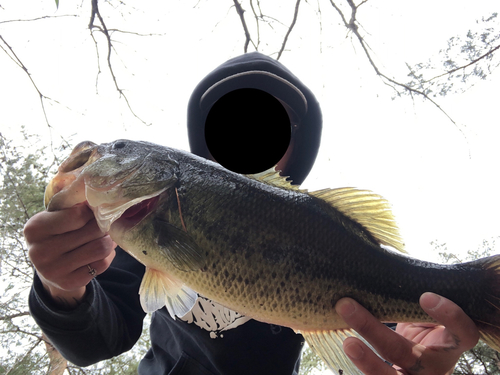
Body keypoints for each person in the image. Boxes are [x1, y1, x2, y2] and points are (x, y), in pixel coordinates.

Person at [26, 52, 479, 375]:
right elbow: (97, 342)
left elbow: (390, 336)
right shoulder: (140, 223)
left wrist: (408, 360)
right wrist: (62, 286)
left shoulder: (326, 236)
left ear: (296, 143)